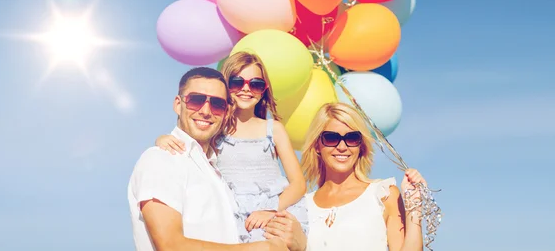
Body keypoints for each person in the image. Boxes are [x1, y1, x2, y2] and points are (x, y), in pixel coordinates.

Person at [127, 67, 300, 251]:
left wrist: (296, 241)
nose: (206, 111)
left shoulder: (217, 174)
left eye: (217, 104)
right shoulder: (162, 159)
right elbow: (170, 245)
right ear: (178, 104)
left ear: (226, 113)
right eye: (196, 100)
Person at [264, 102, 427, 251]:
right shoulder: (301, 206)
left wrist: (414, 209)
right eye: (331, 138)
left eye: (352, 138)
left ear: (360, 146)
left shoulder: (383, 195)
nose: (342, 146)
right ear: (317, 146)